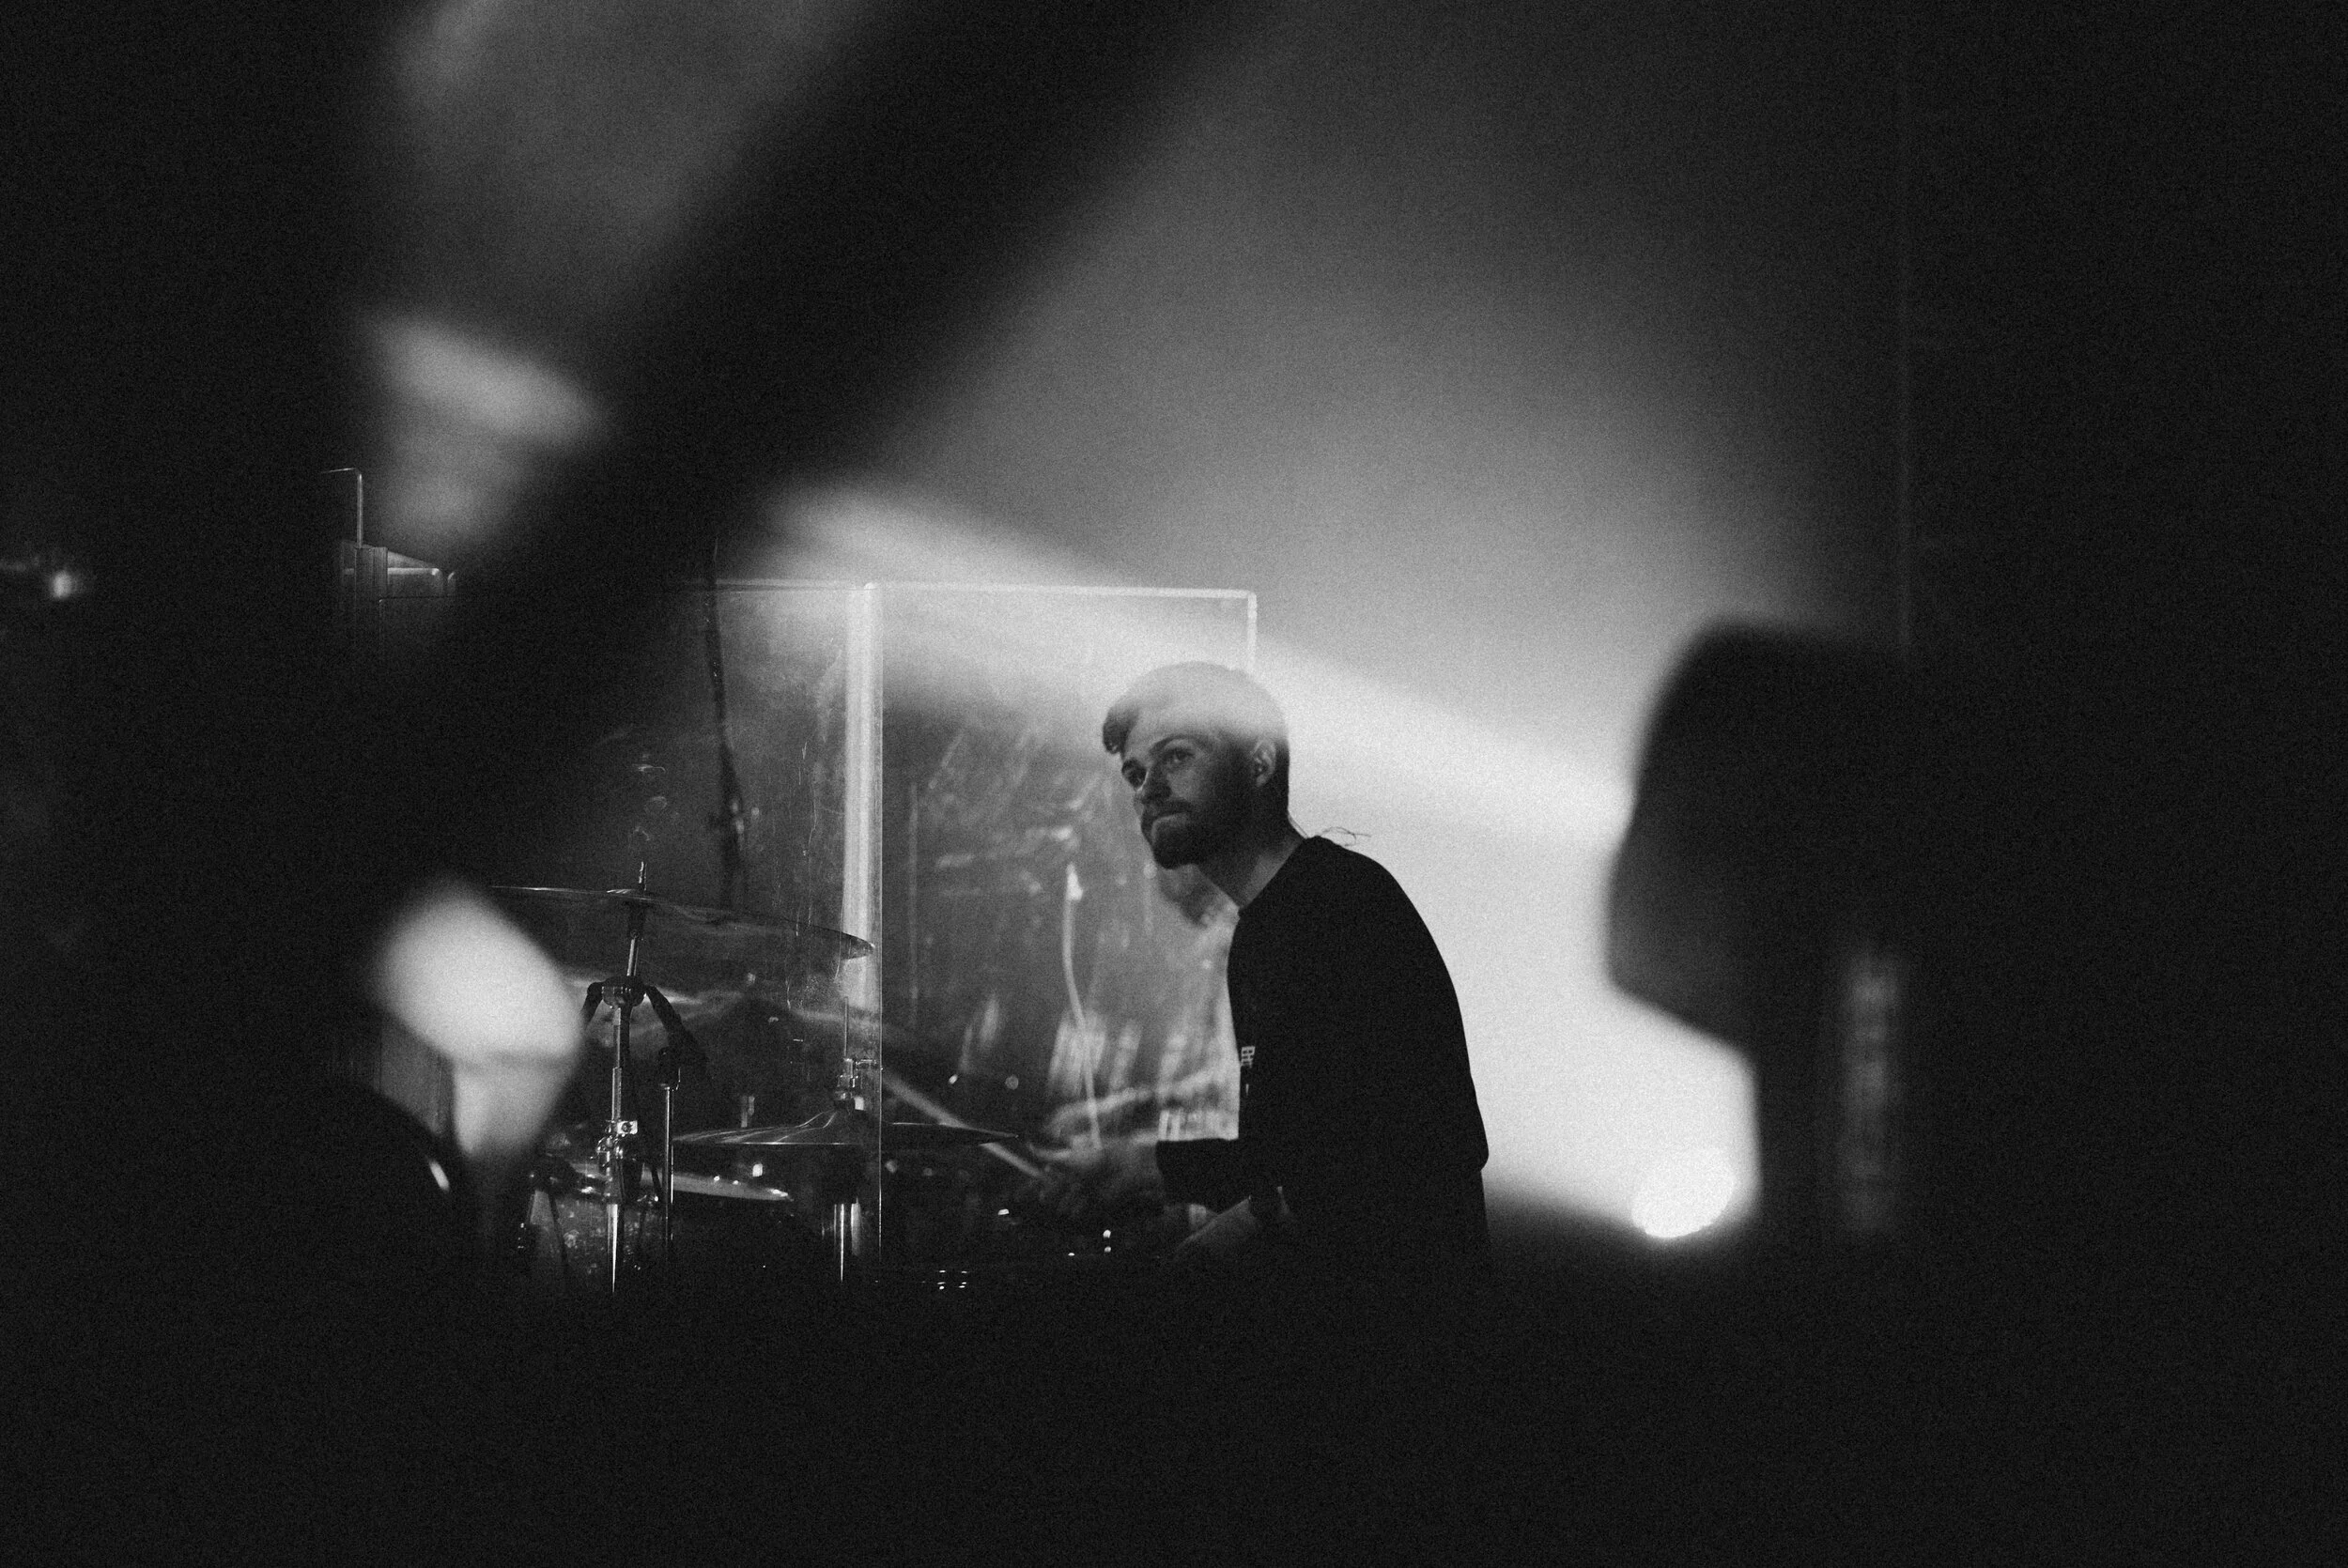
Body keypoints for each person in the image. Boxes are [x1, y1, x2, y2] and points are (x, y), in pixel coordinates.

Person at [1093, 662, 1492, 1303]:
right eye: (1136, 774)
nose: (1149, 789)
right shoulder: (1259, 933)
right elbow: (1291, 1156)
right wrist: (1145, 1166)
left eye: (1176, 756)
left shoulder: (1345, 905)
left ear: (1259, 764)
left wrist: (1239, 1231)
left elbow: (1429, 1144)